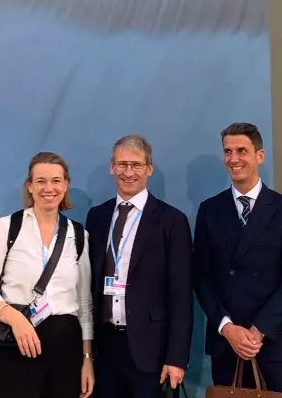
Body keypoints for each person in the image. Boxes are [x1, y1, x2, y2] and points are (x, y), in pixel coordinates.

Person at [192, 123, 282, 398]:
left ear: (260, 155)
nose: (233, 159)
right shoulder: (210, 210)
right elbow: (202, 276)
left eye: (241, 151)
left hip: (276, 343)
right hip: (227, 345)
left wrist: (258, 331)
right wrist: (227, 328)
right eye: (228, 151)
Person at [0, 151, 95, 398]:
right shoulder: (6, 228)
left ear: (66, 185)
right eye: (41, 181)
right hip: (15, 348)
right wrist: (15, 319)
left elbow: (84, 303)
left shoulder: (78, 235)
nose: (49, 188)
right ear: (29, 186)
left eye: (56, 180)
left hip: (66, 352)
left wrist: (87, 359)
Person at [86, 134, 194, 398]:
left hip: (151, 353)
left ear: (149, 168)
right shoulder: (97, 217)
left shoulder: (171, 221)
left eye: (136, 165)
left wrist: (176, 358)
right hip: (105, 350)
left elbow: (181, 295)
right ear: (112, 167)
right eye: (122, 165)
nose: (128, 172)